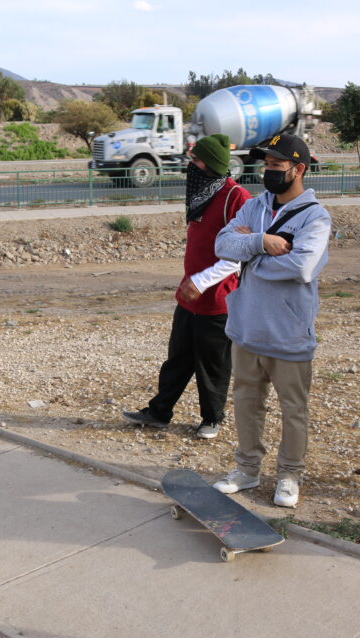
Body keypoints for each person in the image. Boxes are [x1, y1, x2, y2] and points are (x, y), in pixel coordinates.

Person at [211, 133, 331, 508]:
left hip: (289, 333)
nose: (268, 170)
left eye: (276, 165)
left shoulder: (316, 217)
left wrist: (248, 253)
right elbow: (221, 246)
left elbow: (301, 265)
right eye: (266, 164)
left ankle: (289, 475)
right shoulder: (254, 207)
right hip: (246, 328)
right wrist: (263, 243)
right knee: (247, 401)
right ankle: (247, 470)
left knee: (293, 408)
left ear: (299, 169)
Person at [122, 134, 251, 438]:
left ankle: (211, 419)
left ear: (213, 164)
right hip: (189, 296)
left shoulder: (237, 198)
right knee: (177, 360)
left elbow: (238, 256)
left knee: (213, 365)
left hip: (218, 300)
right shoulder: (202, 193)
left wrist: (203, 280)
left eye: (196, 160)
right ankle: (159, 412)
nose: (190, 165)